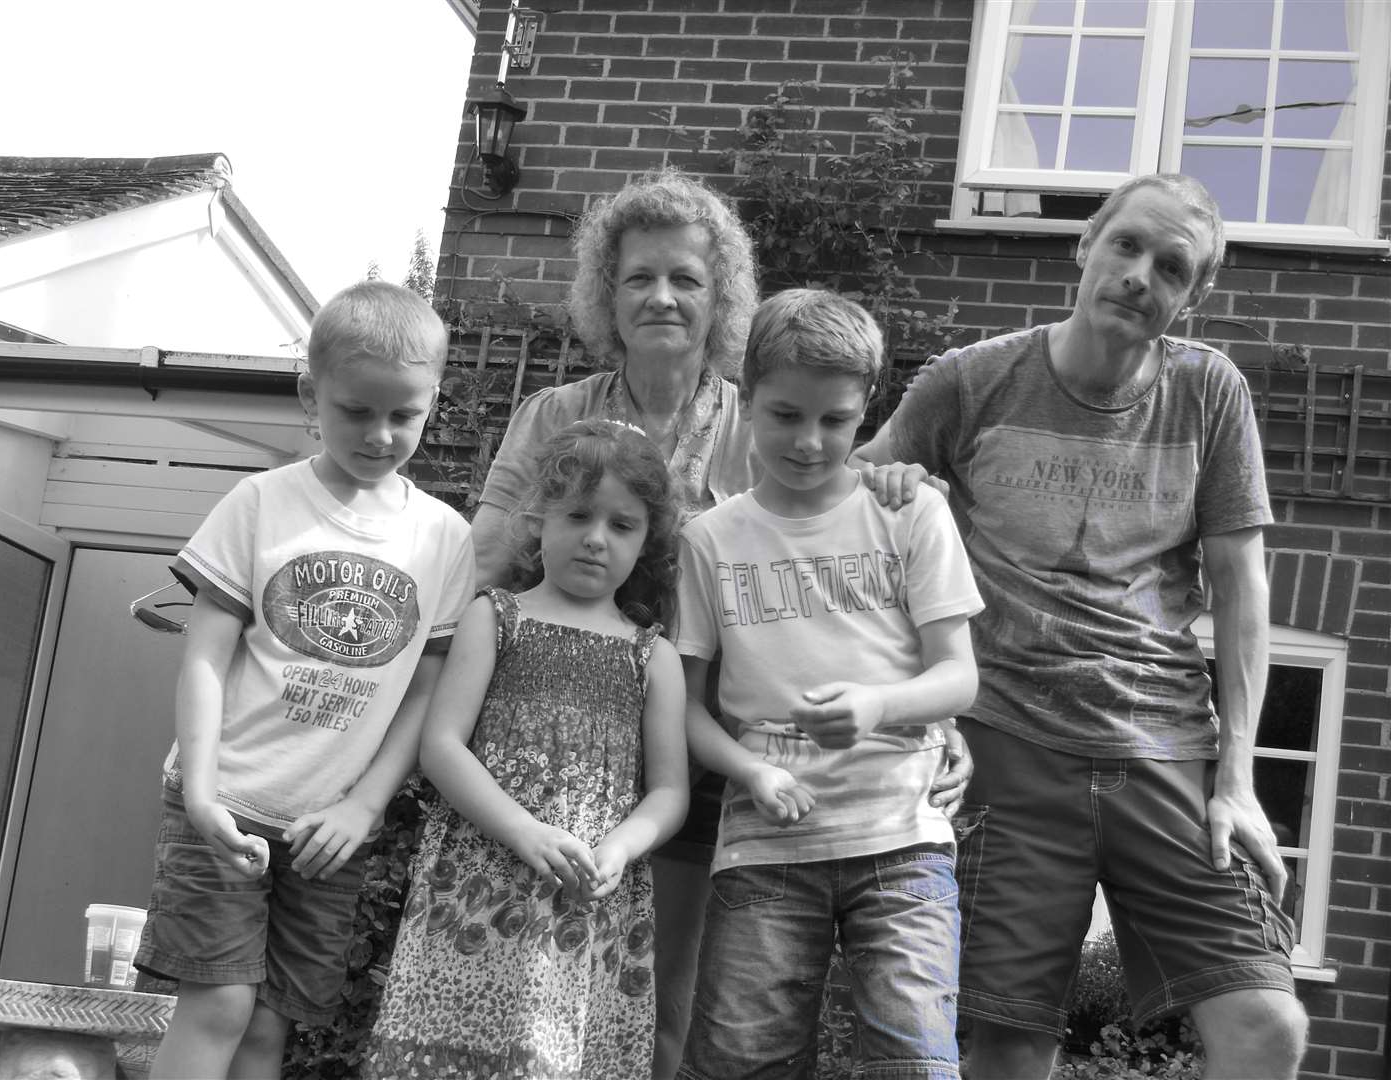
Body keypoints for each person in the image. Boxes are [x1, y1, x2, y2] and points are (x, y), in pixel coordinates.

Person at [470, 169, 970, 1077]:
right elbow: (484, 569)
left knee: (675, 1001)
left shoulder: (768, 419)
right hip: (561, 737)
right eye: (638, 278)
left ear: (722, 297)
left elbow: (857, 545)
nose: (661, 297)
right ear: (605, 293)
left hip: (711, 753)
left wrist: (929, 716)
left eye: (686, 279)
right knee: (537, 991)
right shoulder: (554, 416)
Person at [854, 173, 1308, 1079]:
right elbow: (843, 507)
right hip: (1008, 751)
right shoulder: (971, 380)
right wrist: (887, 485)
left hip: (1165, 753)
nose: (1141, 274)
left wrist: (1240, 779)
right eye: (1126, 246)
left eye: (1171, 267)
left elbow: (1240, 587)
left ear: (1192, 296)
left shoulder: (1208, 394)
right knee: (1011, 1043)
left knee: (1268, 1025)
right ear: (1086, 246)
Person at [135, 281, 476, 1080]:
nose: (381, 433)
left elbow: (424, 692)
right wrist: (202, 795)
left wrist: (365, 805)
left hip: (328, 830)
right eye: (357, 410)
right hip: (229, 805)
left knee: (268, 1029)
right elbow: (204, 659)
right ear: (309, 394)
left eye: (406, 415)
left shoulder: (444, 538)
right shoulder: (260, 504)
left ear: (433, 403)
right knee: (218, 1005)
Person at [675, 289, 983, 1080]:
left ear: (866, 413)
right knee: (742, 1061)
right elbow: (689, 706)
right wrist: (751, 769)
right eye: (784, 416)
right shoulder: (709, 540)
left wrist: (879, 704)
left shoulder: (910, 513)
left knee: (915, 1062)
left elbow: (959, 678)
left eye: (836, 421)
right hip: (763, 846)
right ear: (745, 402)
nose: (810, 442)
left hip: (902, 838)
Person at [362, 420, 689, 1079]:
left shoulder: (652, 655)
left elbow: (670, 789)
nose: (596, 539)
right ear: (539, 520)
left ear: (646, 541)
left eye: (622, 526)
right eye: (577, 515)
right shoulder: (495, 616)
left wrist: (621, 847)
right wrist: (523, 830)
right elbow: (442, 746)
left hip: (586, 896)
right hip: (477, 885)